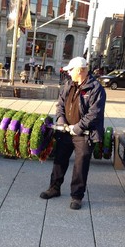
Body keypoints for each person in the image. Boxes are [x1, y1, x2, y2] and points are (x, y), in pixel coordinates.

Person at [40, 56, 106, 210]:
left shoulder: (96, 89)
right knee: (59, 160)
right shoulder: (68, 84)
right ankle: (54, 188)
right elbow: (60, 104)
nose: (68, 73)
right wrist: (61, 119)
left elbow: (94, 114)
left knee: (80, 165)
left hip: (83, 133)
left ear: (80, 70)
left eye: (71, 70)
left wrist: (78, 127)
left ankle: (77, 196)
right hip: (66, 131)